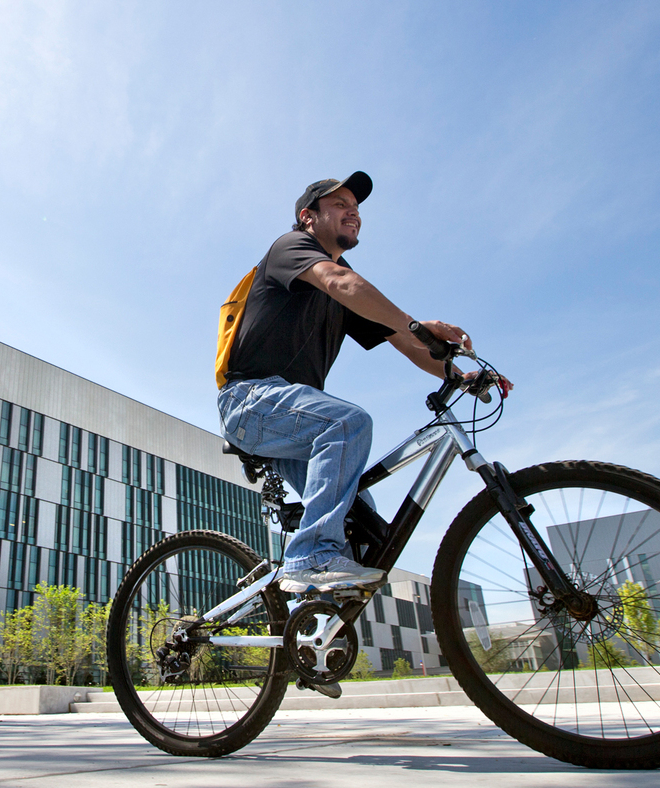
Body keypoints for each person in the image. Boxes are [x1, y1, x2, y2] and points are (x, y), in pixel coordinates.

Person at [218, 172, 511, 595]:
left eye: (355, 206)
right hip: (250, 402)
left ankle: (313, 635)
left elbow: (409, 346)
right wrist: (416, 323)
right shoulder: (291, 248)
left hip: (292, 418)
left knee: (361, 526)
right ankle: (311, 558)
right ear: (308, 217)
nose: (352, 211)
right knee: (348, 422)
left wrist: (461, 375)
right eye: (338, 204)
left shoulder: (344, 284)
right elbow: (343, 284)